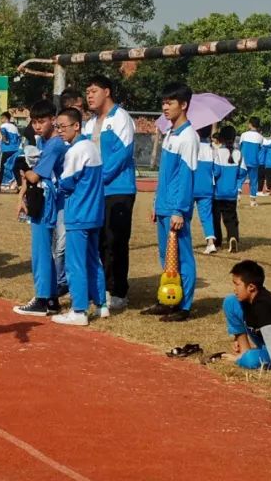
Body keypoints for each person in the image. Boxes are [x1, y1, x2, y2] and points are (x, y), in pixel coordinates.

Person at [142, 83, 197, 321]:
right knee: (166, 256)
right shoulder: (171, 134)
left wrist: (179, 210)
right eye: (163, 103)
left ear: (183, 105)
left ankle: (184, 306)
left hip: (176, 208)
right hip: (163, 206)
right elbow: (166, 175)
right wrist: (156, 202)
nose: (165, 107)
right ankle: (168, 299)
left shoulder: (188, 137)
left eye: (170, 103)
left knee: (182, 257)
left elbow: (186, 177)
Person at [82, 75, 137, 311]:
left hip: (118, 189)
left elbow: (122, 156)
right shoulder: (88, 123)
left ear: (107, 91)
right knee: (98, 240)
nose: (89, 96)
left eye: (94, 91)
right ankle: (100, 287)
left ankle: (118, 291)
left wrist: (97, 178)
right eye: (87, 92)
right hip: (95, 190)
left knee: (116, 241)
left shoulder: (121, 118)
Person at [53, 107, 107, 326]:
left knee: (75, 263)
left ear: (76, 126)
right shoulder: (93, 148)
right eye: (57, 127)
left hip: (78, 214)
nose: (59, 131)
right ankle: (102, 304)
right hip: (94, 213)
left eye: (63, 127)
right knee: (94, 260)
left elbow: (66, 183)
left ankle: (79, 310)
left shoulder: (75, 151)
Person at [14, 100, 66, 316]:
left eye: (42, 121)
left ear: (52, 120)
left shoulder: (54, 144)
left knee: (41, 250)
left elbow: (35, 175)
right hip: (43, 198)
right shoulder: (44, 142)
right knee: (45, 249)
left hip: (48, 201)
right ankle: (52, 298)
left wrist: (25, 170)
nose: (37, 126)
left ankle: (43, 298)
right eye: (34, 122)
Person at [219, 260, 271, 375]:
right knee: (230, 302)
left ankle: (245, 357)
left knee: (249, 360)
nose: (234, 289)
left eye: (237, 284)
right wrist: (237, 338)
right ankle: (245, 351)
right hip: (265, 343)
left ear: (251, 287)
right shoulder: (248, 299)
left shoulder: (262, 306)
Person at [212, 125, 246, 253]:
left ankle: (218, 242)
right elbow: (242, 172)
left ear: (220, 138)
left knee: (216, 218)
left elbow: (216, 172)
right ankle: (233, 237)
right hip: (231, 193)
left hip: (217, 193)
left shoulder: (218, 153)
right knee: (231, 218)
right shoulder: (239, 154)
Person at [192, 125, 217, 254]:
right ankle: (211, 243)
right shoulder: (211, 148)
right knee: (207, 216)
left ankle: (181, 242)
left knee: (185, 216)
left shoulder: (192, 145)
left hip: (191, 186)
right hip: (207, 186)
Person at [239, 117, 264, 206]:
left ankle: (237, 196)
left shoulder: (244, 134)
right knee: (253, 181)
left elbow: (240, 147)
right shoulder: (261, 137)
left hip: (243, 161)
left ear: (250, 124)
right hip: (254, 161)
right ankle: (253, 201)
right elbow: (260, 150)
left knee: (240, 179)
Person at [0, 111, 22, 191]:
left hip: (6, 149)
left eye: (1, 118)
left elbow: (3, 133)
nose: (1, 120)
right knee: (15, 168)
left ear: (5, 118)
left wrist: (5, 140)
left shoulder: (3, 125)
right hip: (15, 150)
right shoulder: (14, 127)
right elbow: (19, 137)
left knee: (0, 167)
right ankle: (20, 186)